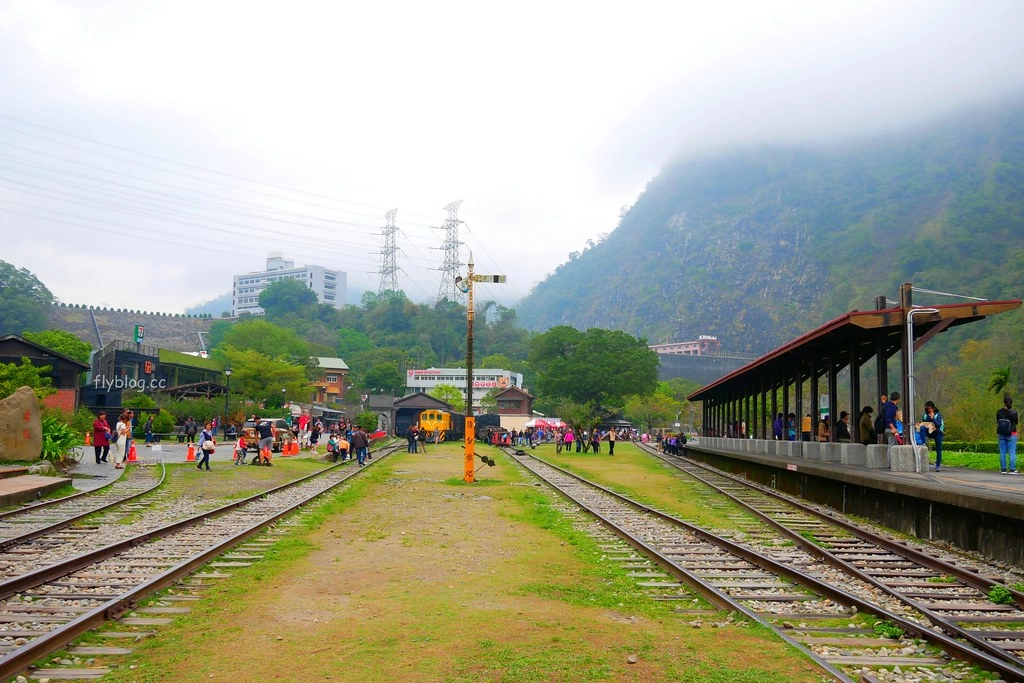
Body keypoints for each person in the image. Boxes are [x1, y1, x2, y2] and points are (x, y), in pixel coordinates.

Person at [917, 400, 945, 471]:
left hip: (937, 432)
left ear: (933, 408)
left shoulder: (938, 415)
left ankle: (938, 465)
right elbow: (924, 422)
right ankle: (923, 442)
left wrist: (933, 418)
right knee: (922, 427)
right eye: (927, 408)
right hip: (929, 431)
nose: (928, 410)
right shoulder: (925, 415)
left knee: (938, 449)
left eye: (929, 408)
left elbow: (938, 425)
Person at [996, 394, 1018, 475]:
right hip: (1012, 433)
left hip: (1001, 433)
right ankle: (1012, 469)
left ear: (1004, 402)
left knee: (1002, 452)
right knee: (1012, 452)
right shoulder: (1014, 412)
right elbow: (1016, 422)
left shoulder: (999, 412)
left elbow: (997, 421)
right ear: (1011, 403)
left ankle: (1003, 469)